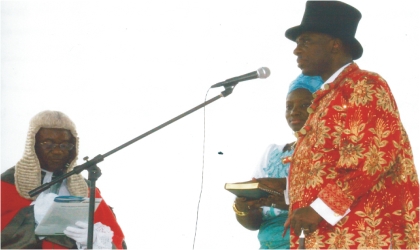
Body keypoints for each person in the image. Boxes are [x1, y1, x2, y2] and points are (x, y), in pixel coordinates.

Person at [282, 1, 419, 249]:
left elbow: (370, 158)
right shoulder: (327, 98)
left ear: (335, 44)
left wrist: (318, 209)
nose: (297, 51)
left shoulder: (364, 84)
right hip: (329, 237)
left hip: (363, 236)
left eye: (306, 41)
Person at [1, 110, 126, 249]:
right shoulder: (8, 183)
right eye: (48, 143)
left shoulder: (85, 188)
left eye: (65, 145)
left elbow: (117, 240)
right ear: (33, 145)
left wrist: (95, 239)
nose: (57, 151)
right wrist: (31, 215)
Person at [233, 74, 323, 249]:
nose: (294, 112)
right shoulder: (273, 153)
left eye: (305, 105)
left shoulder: (330, 152)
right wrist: (242, 207)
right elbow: (254, 222)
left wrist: (281, 191)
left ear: (322, 108)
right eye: (289, 107)